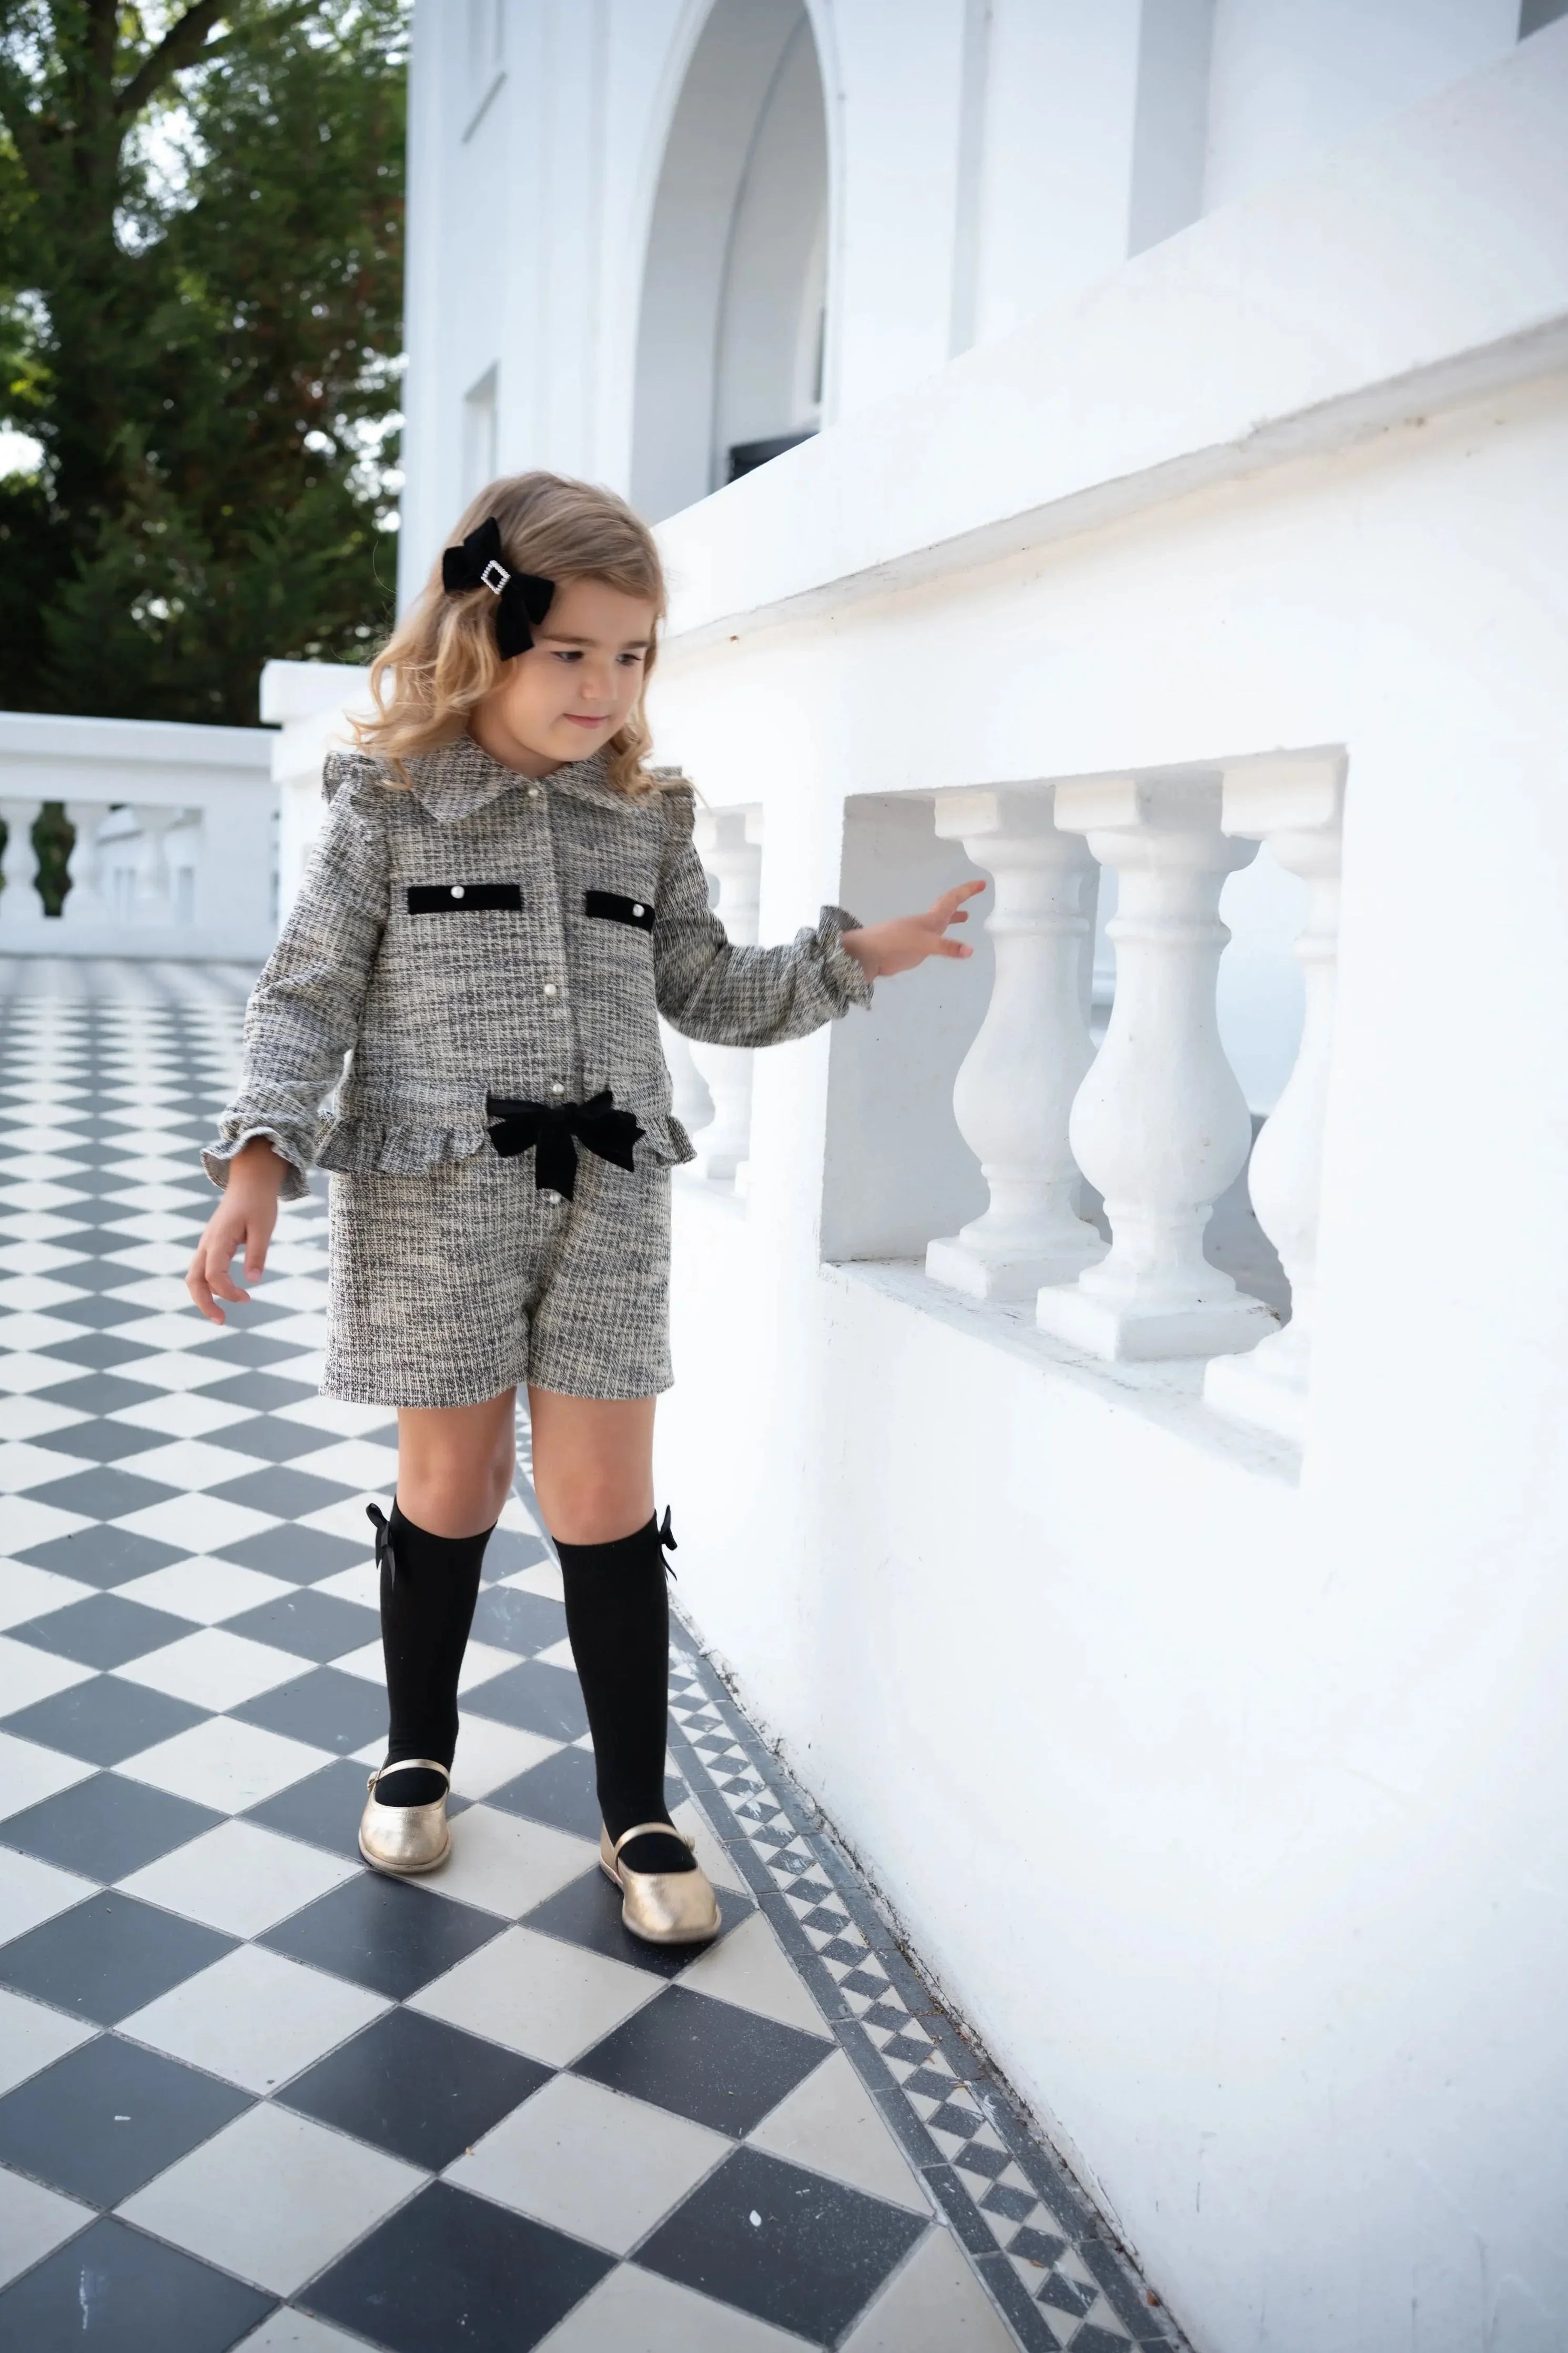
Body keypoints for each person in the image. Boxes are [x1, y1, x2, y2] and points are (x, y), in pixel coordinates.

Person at [186, 471, 981, 1944]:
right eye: (576, 653)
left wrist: (849, 956)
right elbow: (306, 998)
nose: (607, 687)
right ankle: (418, 1750)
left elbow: (706, 988)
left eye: (635, 655)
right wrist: (257, 1162)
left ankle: (637, 1808)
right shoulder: (392, 803)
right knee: (453, 1488)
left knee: (605, 1499)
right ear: (485, 635)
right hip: (436, 1204)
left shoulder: (644, 820)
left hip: (610, 1198)